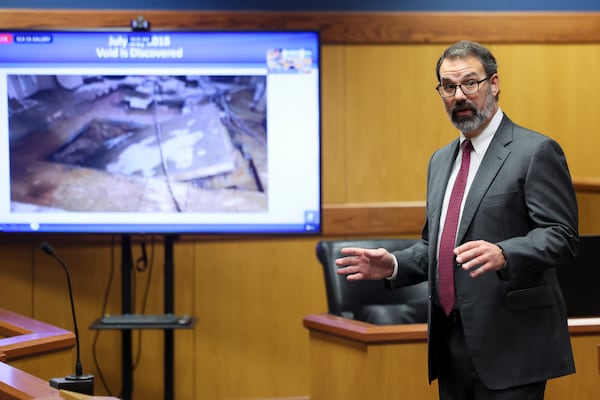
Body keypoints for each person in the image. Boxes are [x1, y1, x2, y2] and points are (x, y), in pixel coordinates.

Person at [335, 40, 579, 400]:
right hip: (450, 344)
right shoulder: (440, 160)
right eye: (448, 87)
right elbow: (438, 245)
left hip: (511, 344)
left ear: (493, 83)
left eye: (470, 83)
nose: (459, 96)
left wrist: (505, 252)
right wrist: (394, 265)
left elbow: (562, 236)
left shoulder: (535, 151)